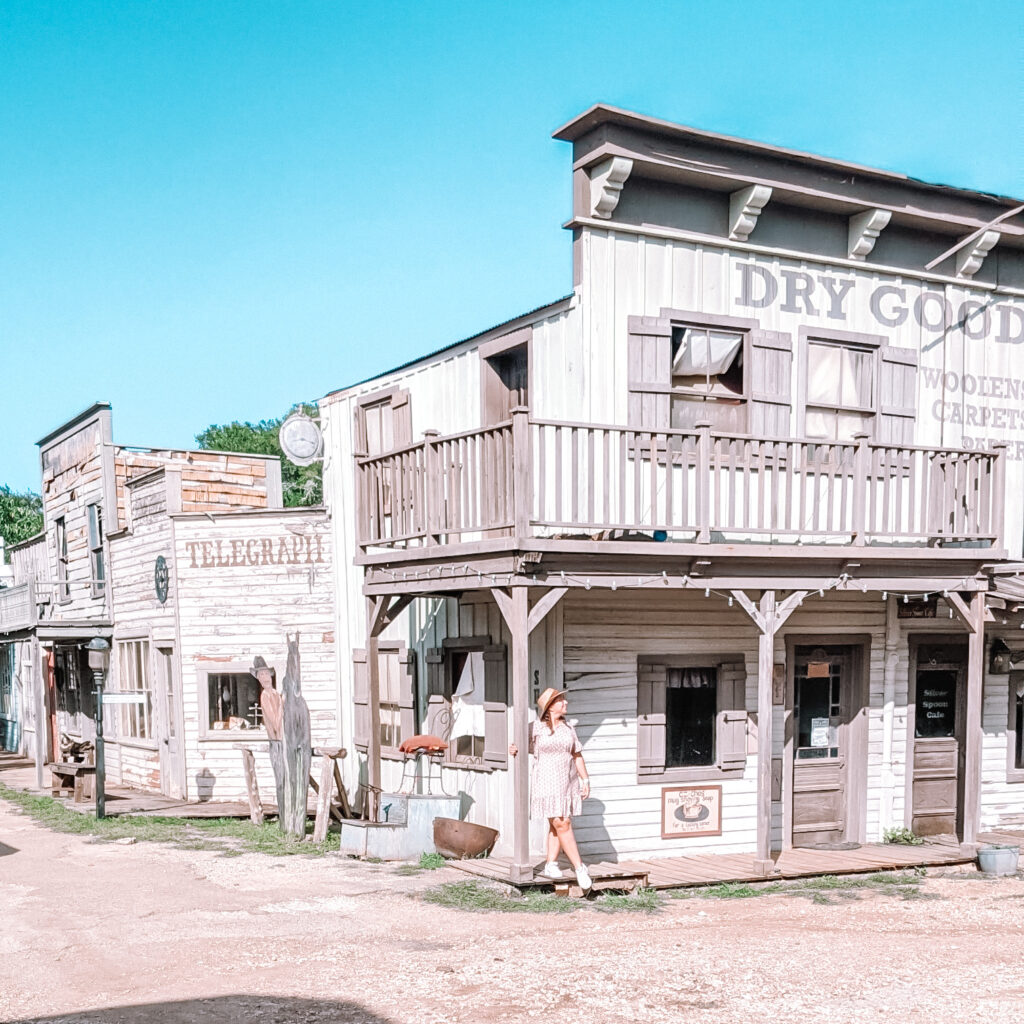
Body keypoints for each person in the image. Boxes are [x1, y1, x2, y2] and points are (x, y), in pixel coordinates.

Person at [509, 687, 592, 891]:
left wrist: (585, 780)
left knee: (558, 824)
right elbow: (517, 745)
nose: (566, 703)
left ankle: (551, 863)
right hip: (545, 781)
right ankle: (579, 867)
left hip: (566, 781)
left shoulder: (569, 728)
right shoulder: (535, 727)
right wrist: (512, 749)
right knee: (561, 822)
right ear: (550, 707)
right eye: (561, 701)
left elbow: (577, 755)